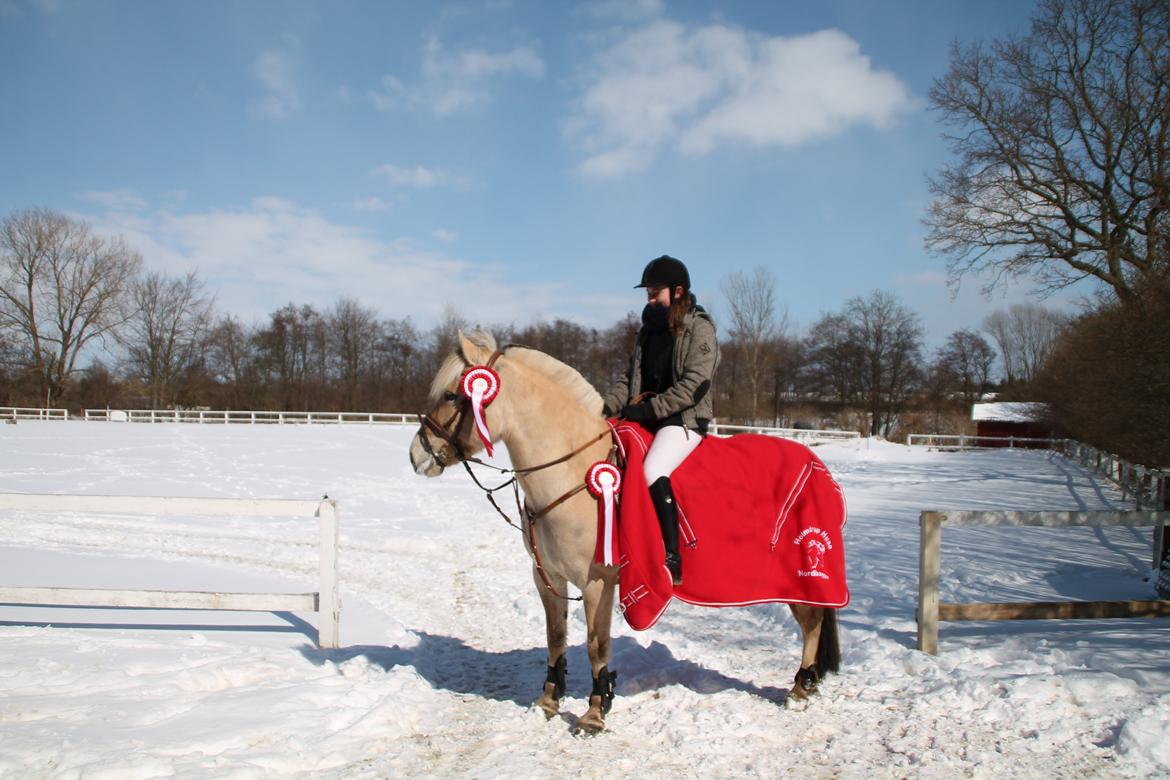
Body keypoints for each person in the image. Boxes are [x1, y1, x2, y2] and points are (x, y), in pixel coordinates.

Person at [602, 255, 719, 585]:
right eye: (648, 294)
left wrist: (649, 411)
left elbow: (695, 383)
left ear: (678, 291)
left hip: (683, 420)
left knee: (653, 470)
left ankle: (672, 556)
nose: (650, 300)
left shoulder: (700, 328)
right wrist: (604, 407)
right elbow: (628, 380)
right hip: (646, 416)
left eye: (656, 293)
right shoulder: (646, 334)